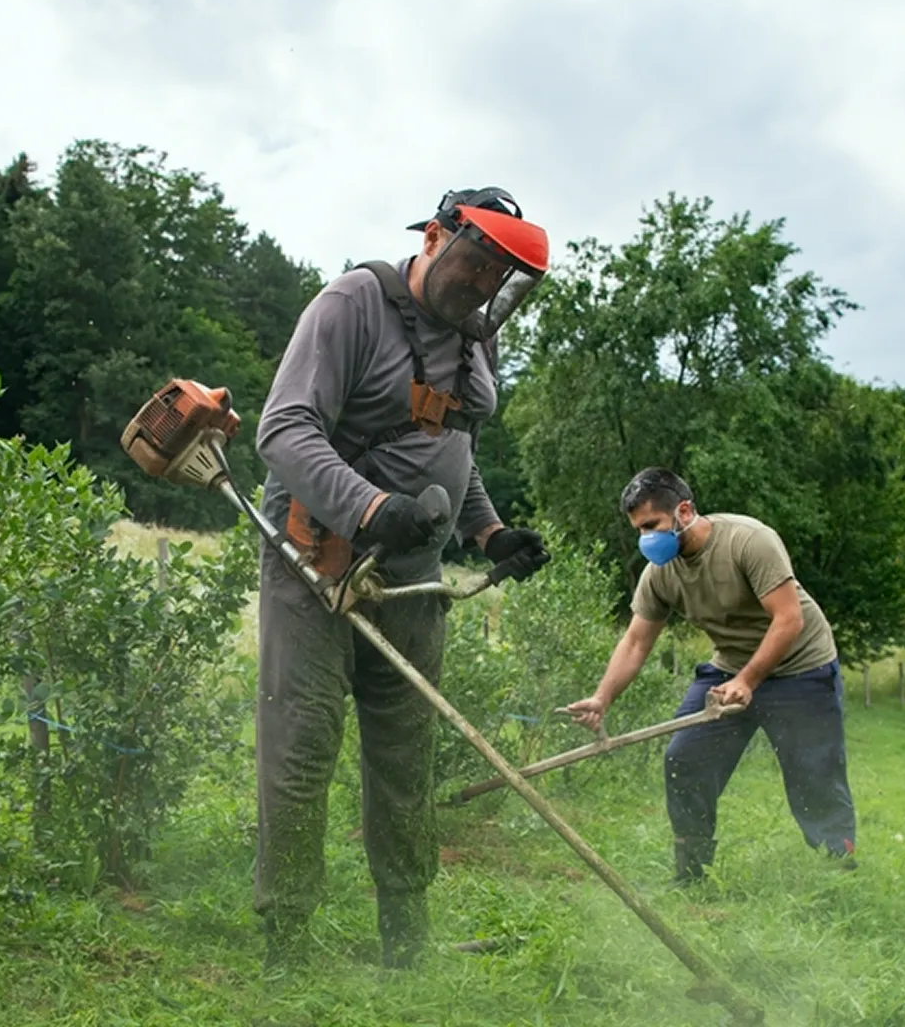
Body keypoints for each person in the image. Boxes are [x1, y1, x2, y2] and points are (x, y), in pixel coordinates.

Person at [252, 187, 555, 970]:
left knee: (405, 755)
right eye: (475, 262)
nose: (482, 283)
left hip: (413, 579)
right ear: (433, 239)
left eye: (498, 274)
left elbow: (450, 449)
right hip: (317, 563)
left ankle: (406, 941)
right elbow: (282, 429)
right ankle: (287, 939)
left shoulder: (477, 341)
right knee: (302, 745)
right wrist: (368, 506)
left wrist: (487, 531)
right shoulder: (352, 305)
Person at [565, 467, 857, 884]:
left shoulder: (748, 541)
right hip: (729, 669)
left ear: (684, 511)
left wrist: (748, 681)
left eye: (652, 525)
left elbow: (788, 620)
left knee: (815, 777)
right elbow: (636, 642)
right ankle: (692, 874)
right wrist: (602, 697)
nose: (646, 538)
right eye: (639, 529)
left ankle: (839, 870)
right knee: (685, 759)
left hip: (802, 669)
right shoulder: (660, 574)